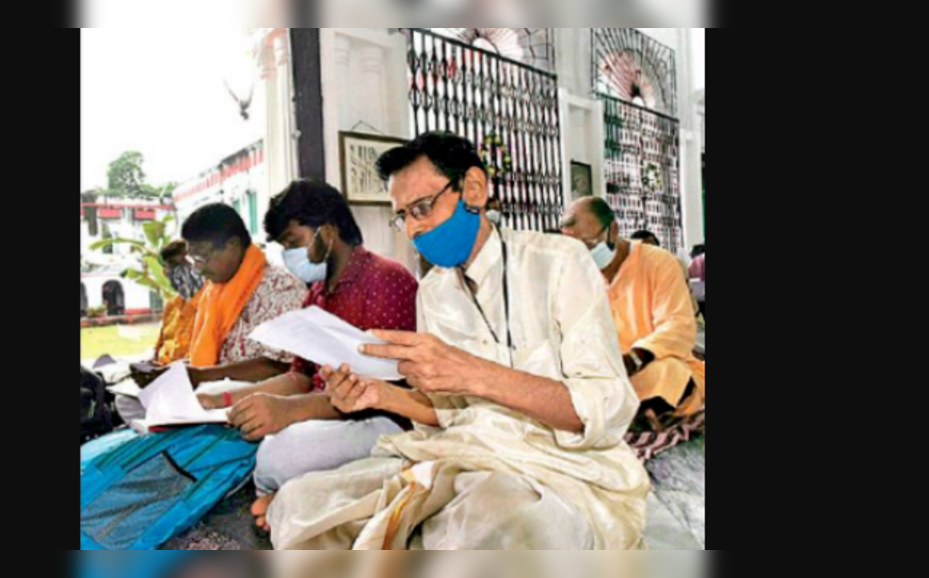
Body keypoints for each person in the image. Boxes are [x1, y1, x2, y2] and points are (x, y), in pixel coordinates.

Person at [266, 131, 649, 550]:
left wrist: (474, 374)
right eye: (404, 216)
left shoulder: (558, 262)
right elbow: (449, 414)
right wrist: (377, 396)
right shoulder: (434, 290)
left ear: (474, 189)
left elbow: (607, 409)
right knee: (299, 501)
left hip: (559, 465)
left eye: (423, 208)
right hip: (465, 450)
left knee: (484, 523)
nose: (414, 229)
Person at [202, 180, 420, 532]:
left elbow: (381, 389)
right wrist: (228, 399)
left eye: (293, 243)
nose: (289, 256)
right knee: (252, 437)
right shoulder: (317, 294)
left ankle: (289, 504)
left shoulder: (385, 280)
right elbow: (299, 376)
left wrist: (290, 411)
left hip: (386, 418)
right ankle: (290, 501)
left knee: (279, 454)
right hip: (330, 411)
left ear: (329, 231)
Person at [116, 204, 308, 424]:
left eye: (202, 258)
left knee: (188, 403)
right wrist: (173, 371)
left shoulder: (280, 287)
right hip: (214, 381)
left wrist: (199, 376)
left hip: (256, 393)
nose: (197, 269)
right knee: (128, 401)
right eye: (193, 259)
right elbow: (215, 355)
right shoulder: (214, 292)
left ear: (233, 245)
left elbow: (279, 366)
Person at [561, 197, 705, 430]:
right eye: (575, 248)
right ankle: (636, 414)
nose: (584, 254)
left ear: (613, 230)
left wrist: (635, 358)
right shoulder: (576, 276)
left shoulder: (659, 262)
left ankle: (638, 413)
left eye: (589, 243)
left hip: (653, 362)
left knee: (666, 373)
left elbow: (677, 326)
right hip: (606, 375)